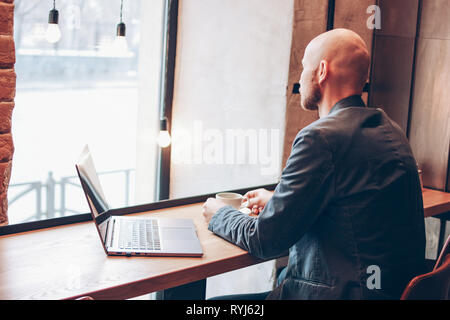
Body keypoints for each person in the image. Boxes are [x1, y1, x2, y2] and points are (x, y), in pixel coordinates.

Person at [202, 28, 426, 300]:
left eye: (304, 67)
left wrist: (219, 214)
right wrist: (280, 200)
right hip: (382, 292)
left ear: (321, 71)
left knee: (207, 307)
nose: (300, 78)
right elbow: (356, 205)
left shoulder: (320, 137)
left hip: (335, 294)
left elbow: (265, 239)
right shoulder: (389, 128)